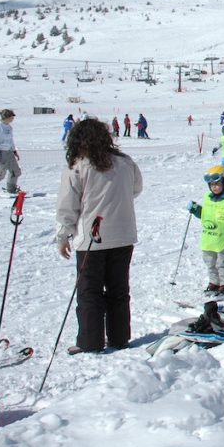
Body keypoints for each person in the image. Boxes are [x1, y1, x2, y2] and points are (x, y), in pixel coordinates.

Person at [55, 118, 143, 354]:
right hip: (123, 235)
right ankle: (119, 337)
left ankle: (90, 342)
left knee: (89, 291)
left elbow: (68, 205)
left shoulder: (79, 166)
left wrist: (63, 235)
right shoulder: (125, 162)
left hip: (92, 239)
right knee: (118, 289)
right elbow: (136, 188)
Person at [187, 166, 224, 295]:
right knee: (210, 262)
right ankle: (215, 282)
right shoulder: (207, 198)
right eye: (212, 185)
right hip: (209, 238)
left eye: (217, 184)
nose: (214, 187)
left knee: (223, 262)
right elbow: (205, 215)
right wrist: (195, 209)